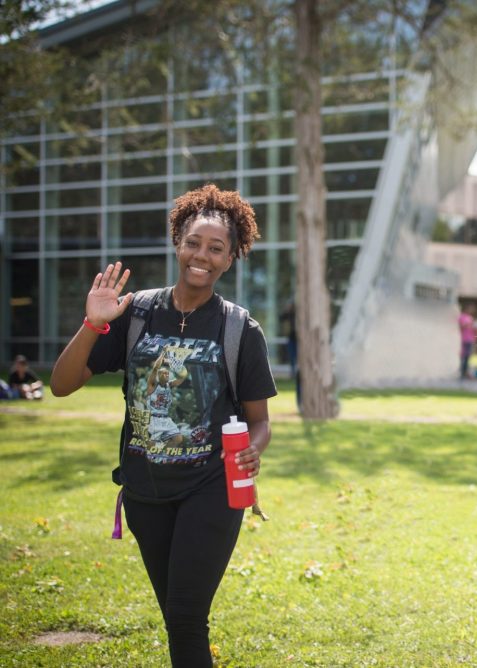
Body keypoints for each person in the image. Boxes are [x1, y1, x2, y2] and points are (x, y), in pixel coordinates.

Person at [50, 184, 277, 667]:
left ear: (231, 257)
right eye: (194, 242)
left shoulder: (239, 329)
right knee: (178, 618)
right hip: (144, 495)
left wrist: (253, 449)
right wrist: (93, 324)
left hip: (211, 491)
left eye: (216, 248)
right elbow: (61, 385)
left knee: (186, 616)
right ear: (177, 241)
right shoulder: (135, 313)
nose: (202, 256)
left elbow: (259, 422)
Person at [458, 303, 477, 379]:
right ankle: (462, 372)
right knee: (464, 356)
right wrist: (467, 324)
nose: (471, 310)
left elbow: (472, 328)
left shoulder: (470, 317)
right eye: (470, 309)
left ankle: (466, 372)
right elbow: (461, 327)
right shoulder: (462, 317)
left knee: (468, 356)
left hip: (471, 339)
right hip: (465, 339)